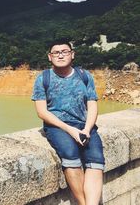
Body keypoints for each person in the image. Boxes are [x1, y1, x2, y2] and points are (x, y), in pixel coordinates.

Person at [31, 40, 105, 205]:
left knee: (96, 159)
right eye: (56, 52)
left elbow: (92, 105)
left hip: (84, 125)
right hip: (58, 126)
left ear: (72, 54)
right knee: (70, 155)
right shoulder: (43, 78)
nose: (60, 55)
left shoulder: (84, 76)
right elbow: (42, 112)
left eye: (64, 51)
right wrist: (69, 129)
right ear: (50, 57)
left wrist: (86, 129)